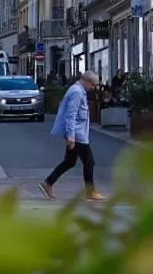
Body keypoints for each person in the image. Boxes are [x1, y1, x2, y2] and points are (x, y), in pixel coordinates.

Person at [39, 71, 105, 202]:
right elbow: (71, 115)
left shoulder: (78, 91)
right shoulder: (77, 92)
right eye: (93, 85)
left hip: (77, 133)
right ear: (86, 81)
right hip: (77, 134)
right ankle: (90, 191)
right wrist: (71, 136)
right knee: (89, 161)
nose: (93, 88)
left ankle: (48, 183)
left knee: (69, 161)